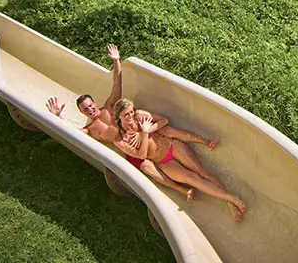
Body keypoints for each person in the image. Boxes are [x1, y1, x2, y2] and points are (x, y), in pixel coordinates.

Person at [46, 44, 197, 201]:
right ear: (82, 112)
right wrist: (57, 118)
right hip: (129, 149)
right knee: (147, 167)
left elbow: (117, 84)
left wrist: (116, 61)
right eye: (86, 109)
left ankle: (199, 144)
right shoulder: (90, 130)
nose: (90, 110)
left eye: (90, 105)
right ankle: (180, 189)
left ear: (94, 103)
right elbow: (71, 134)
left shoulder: (110, 107)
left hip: (141, 135)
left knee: (164, 132)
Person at [114, 99, 248, 223]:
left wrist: (149, 129)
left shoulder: (139, 116)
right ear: (118, 117)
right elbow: (142, 155)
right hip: (164, 162)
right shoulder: (120, 139)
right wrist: (144, 133)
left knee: (201, 172)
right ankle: (230, 198)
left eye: (131, 112)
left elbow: (164, 121)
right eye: (126, 115)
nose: (130, 117)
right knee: (192, 178)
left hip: (172, 146)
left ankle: (230, 200)